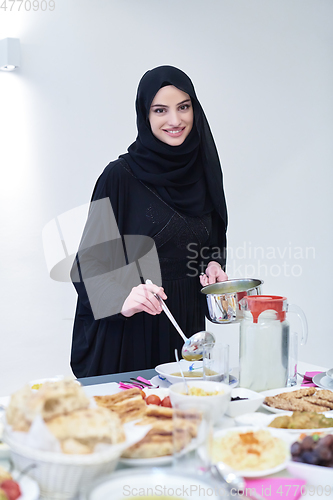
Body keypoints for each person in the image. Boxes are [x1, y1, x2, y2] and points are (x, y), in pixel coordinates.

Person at [70, 65, 228, 378]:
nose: (175, 120)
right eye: (160, 110)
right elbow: (89, 263)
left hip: (187, 330)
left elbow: (209, 243)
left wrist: (212, 267)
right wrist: (123, 299)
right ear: (145, 115)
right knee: (140, 422)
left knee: (189, 421)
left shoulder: (203, 171)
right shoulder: (119, 177)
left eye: (184, 107)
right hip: (134, 331)